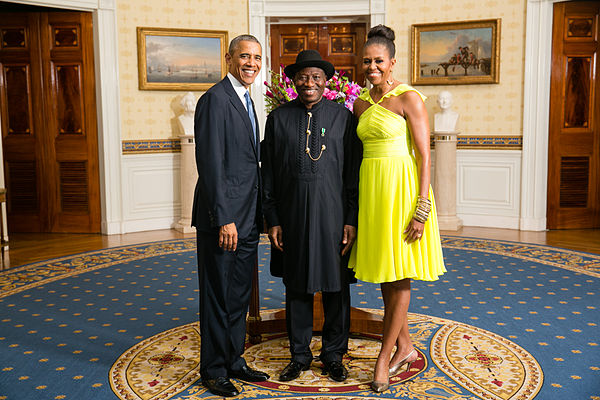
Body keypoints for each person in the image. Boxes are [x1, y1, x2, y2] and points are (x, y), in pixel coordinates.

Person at [347, 25, 446, 392]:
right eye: (367, 62)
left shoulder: (409, 98)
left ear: (392, 62)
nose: (372, 67)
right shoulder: (359, 103)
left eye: (379, 61)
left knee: (400, 273)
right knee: (386, 273)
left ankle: (382, 359)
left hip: (403, 192)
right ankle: (404, 345)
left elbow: (424, 155)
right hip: (373, 191)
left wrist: (422, 206)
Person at [261, 50, 361, 383]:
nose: (309, 83)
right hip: (292, 217)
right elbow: (269, 175)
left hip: (333, 217)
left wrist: (351, 218)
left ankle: (334, 355)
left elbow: (352, 174)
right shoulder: (278, 118)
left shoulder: (343, 118)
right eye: (303, 76)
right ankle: (300, 356)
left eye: (316, 77)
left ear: (326, 82)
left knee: (336, 289)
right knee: (298, 287)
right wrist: (272, 218)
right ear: (294, 80)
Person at [192, 34, 269, 398]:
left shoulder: (248, 100)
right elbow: (210, 167)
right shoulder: (214, 100)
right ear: (228, 59)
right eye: (244, 56)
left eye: (256, 57)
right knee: (217, 296)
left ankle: (234, 359)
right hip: (223, 222)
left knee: (239, 296)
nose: (251, 63)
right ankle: (214, 368)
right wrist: (224, 218)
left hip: (248, 219)